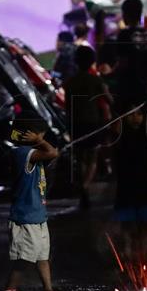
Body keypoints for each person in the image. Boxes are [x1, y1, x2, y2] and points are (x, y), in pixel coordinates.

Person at [3, 115, 61, 291]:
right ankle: (10, 289)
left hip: (38, 216)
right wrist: (41, 142)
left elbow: (51, 155)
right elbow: (52, 153)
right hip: (25, 217)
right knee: (26, 257)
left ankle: (48, 289)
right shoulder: (22, 153)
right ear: (30, 135)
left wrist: (42, 143)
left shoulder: (31, 153)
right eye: (40, 134)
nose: (43, 136)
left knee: (42, 256)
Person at [62, 46, 112, 209]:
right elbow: (109, 99)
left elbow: (68, 106)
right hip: (92, 123)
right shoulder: (96, 80)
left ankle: (83, 186)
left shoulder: (69, 82)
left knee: (81, 158)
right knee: (92, 158)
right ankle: (85, 186)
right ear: (92, 61)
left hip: (76, 123)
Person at [112, 101, 147, 262]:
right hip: (126, 186)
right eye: (131, 114)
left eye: (139, 114)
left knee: (146, 224)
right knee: (127, 225)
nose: (135, 118)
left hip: (144, 185)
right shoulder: (120, 135)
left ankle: (144, 255)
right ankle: (127, 253)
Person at [115, 0, 147, 107]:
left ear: (126, 14)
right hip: (145, 87)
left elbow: (122, 62)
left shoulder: (124, 34)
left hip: (128, 87)